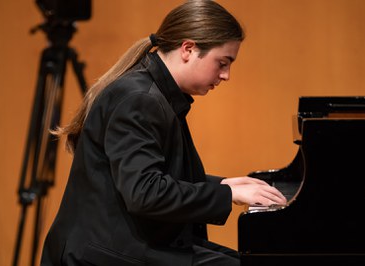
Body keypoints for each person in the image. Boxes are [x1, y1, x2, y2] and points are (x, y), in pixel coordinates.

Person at [40, 1, 287, 265]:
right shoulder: (140, 98)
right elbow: (145, 193)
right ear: (188, 49)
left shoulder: (155, 92)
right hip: (101, 253)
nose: (226, 75)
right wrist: (228, 196)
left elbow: (156, 175)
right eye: (222, 63)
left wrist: (223, 185)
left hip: (122, 243)